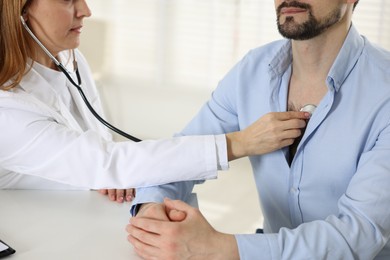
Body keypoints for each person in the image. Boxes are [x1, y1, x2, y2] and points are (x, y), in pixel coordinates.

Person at [127, 0, 390, 259]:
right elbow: (187, 151)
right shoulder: (252, 70)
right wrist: (152, 207)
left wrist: (219, 248)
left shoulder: (384, 90)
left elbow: (360, 233)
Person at [0, 1, 301, 203]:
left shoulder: (70, 59)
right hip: (32, 220)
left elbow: (99, 148)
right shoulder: (7, 106)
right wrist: (240, 143)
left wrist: (102, 172)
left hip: (77, 208)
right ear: (21, 11)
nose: (86, 10)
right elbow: (106, 161)